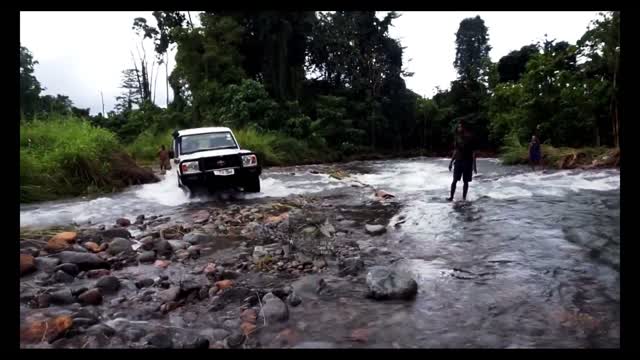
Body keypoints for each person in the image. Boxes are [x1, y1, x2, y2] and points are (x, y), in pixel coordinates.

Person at [447, 121, 477, 202]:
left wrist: (474, 166)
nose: (459, 128)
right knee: (454, 180)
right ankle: (451, 197)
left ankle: (464, 198)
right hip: (458, 161)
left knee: (466, 181)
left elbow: (474, 152)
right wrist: (451, 162)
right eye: (458, 127)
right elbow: (455, 151)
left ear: (464, 128)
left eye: (460, 127)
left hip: (468, 162)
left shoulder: (471, 138)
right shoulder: (457, 138)